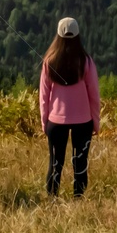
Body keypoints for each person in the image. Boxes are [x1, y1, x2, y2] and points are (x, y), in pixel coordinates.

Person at [39, 16, 101, 198]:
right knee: (80, 163)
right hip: (83, 121)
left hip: (55, 121)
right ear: (78, 36)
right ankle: (78, 198)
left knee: (55, 163)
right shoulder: (86, 62)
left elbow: (43, 96)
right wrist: (96, 122)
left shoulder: (49, 61)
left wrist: (45, 122)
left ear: (57, 35)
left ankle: (52, 199)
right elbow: (94, 95)